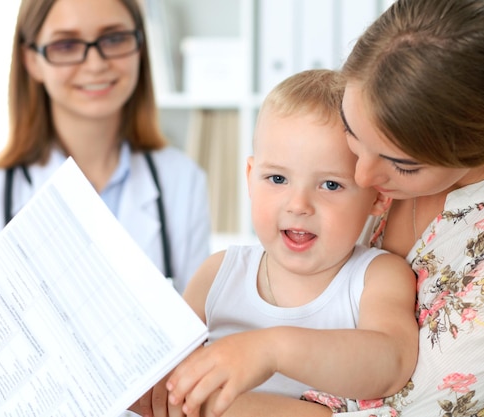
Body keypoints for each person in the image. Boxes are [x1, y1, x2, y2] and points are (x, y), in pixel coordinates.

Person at [138, 0, 484, 416]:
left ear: (473, 150)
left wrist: (189, 396)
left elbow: (391, 407)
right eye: (355, 135)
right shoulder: (230, 268)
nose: (362, 176)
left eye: (400, 165)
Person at [133, 69, 418, 417]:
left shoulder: (377, 275)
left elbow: (391, 363)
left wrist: (271, 349)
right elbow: (166, 371)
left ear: (378, 197)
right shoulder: (217, 275)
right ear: (251, 179)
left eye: (330, 185)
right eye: (277, 178)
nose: (298, 204)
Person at [0, 0, 211, 292]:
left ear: (140, 47)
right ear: (31, 60)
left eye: (115, 38)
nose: (95, 64)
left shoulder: (182, 181)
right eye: (66, 45)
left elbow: (201, 325)